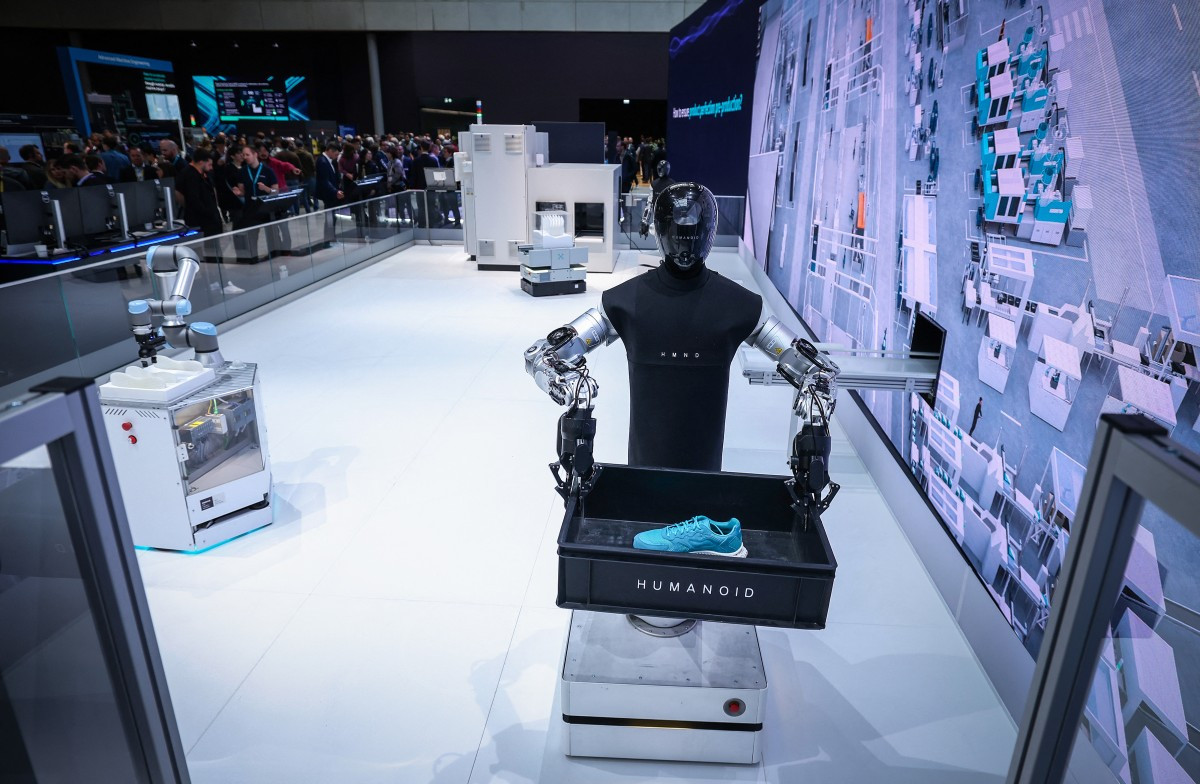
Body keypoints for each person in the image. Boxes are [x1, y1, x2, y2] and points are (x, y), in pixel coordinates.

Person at [174, 149, 224, 262]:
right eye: (209, 164)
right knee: (202, 253)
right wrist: (208, 213)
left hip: (210, 220)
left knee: (215, 250)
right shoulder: (188, 175)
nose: (211, 167)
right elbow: (191, 199)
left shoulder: (203, 174)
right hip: (200, 221)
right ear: (201, 162)